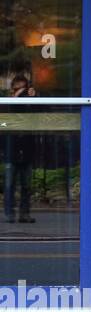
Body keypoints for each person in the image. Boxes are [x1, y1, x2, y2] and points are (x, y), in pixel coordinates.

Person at [4, 73, 35, 225]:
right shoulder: (7, 101)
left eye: (24, 88)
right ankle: (9, 214)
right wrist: (14, 99)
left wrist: (33, 98)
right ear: (12, 89)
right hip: (11, 150)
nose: (22, 92)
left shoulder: (29, 100)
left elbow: (40, 115)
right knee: (9, 185)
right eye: (19, 88)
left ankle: (24, 214)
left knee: (26, 185)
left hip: (27, 149)